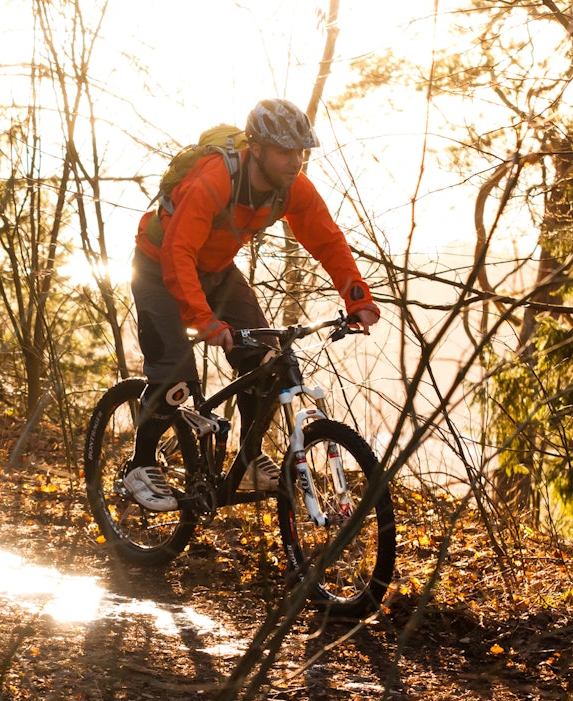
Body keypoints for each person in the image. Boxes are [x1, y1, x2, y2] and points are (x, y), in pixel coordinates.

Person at [124, 98, 381, 512]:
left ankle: (245, 461)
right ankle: (139, 466)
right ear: (256, 149)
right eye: (285, 151)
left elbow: (327, 241)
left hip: (217, 271)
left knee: (265, 361)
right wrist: (204, 320)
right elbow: (178, 254)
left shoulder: (292, 187)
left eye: (300, 151)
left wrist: (357, 298)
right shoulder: (214, 180)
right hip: (158, 267)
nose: (295, 161)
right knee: (174, 376)